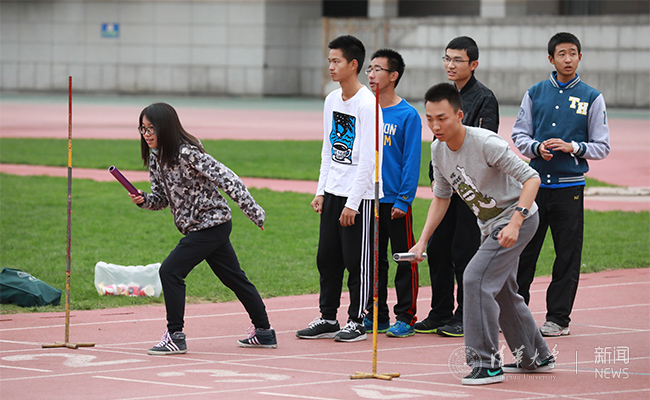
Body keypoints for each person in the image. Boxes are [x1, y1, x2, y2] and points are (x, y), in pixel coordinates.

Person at [410, 83, 554, 385]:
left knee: (474, 279)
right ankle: (535, 356)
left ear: (459, 115)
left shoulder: (485, 142)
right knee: (502, 290)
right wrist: (422, 241)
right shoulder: (438, 150)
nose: (435, 126)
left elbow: (532, 178)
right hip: (490, 226)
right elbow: (441, 198)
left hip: (518, 218)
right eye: (430, 119)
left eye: (442, 118)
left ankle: (486, 364)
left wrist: (515, 223)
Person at [129, 102, 277, 354]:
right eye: (142, 129)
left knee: (170, 271)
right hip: (199, 227)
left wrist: (255, 212)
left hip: (211, 224)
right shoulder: (156, 158)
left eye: (151, 128)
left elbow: (227, 178)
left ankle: (175, 336)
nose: (146, 134)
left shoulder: (187, 152)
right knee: (234, 278)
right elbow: (162, 199)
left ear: (165, 127)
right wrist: (144, 200)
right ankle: (264, 332)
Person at [512, 32, 611, 337]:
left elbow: (602, 146)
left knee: (567, 255)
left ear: (580, 57)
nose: (568, 59)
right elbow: (519, 135)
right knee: (524, 253)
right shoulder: (535, 93)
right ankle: (515, 314)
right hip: (534, 188)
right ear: (551, 59)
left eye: (573, 53)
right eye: (561, 54)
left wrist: (574, 148)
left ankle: (558, 319)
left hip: (570, 190)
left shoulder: (592, 97)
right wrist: (536, 147)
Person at [296, 35, 382, 343]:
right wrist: (321, 190)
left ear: (353, 64)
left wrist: (353, 203)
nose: (331, 66)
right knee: (327, 258)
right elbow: (328, 148)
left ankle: (357, 320)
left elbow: (369, 159)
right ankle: (328, 317)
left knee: (356, 261)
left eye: (336, 61)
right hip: (333, 191)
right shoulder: (332, 100)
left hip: (359, 197)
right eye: (329, 61)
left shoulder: (368, 104)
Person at [416, 36, 500, 338]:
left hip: (471, 192)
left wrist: (460, 180)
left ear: (473, 64)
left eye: (457, 60)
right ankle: (440, 311)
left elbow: (482, 145)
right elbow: (437, 141)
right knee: (438, 249)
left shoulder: (485, 98)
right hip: (446, 188)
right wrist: (436, 178)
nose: (450, 65)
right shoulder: (444, 96)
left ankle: (466, 314)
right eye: (447, 58)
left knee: (465, 252)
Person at [364, 49, 421, 338]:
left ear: (393, 75)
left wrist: (404, 198)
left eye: (378, 69)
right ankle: (377, 314)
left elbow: (411, 161)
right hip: (368, 198)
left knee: (403, 258)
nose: (371, 75)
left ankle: (406, 317)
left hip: (395, 201)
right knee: (373, 261)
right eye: (369, 69)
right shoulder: (364, 110)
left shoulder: (407, 115)